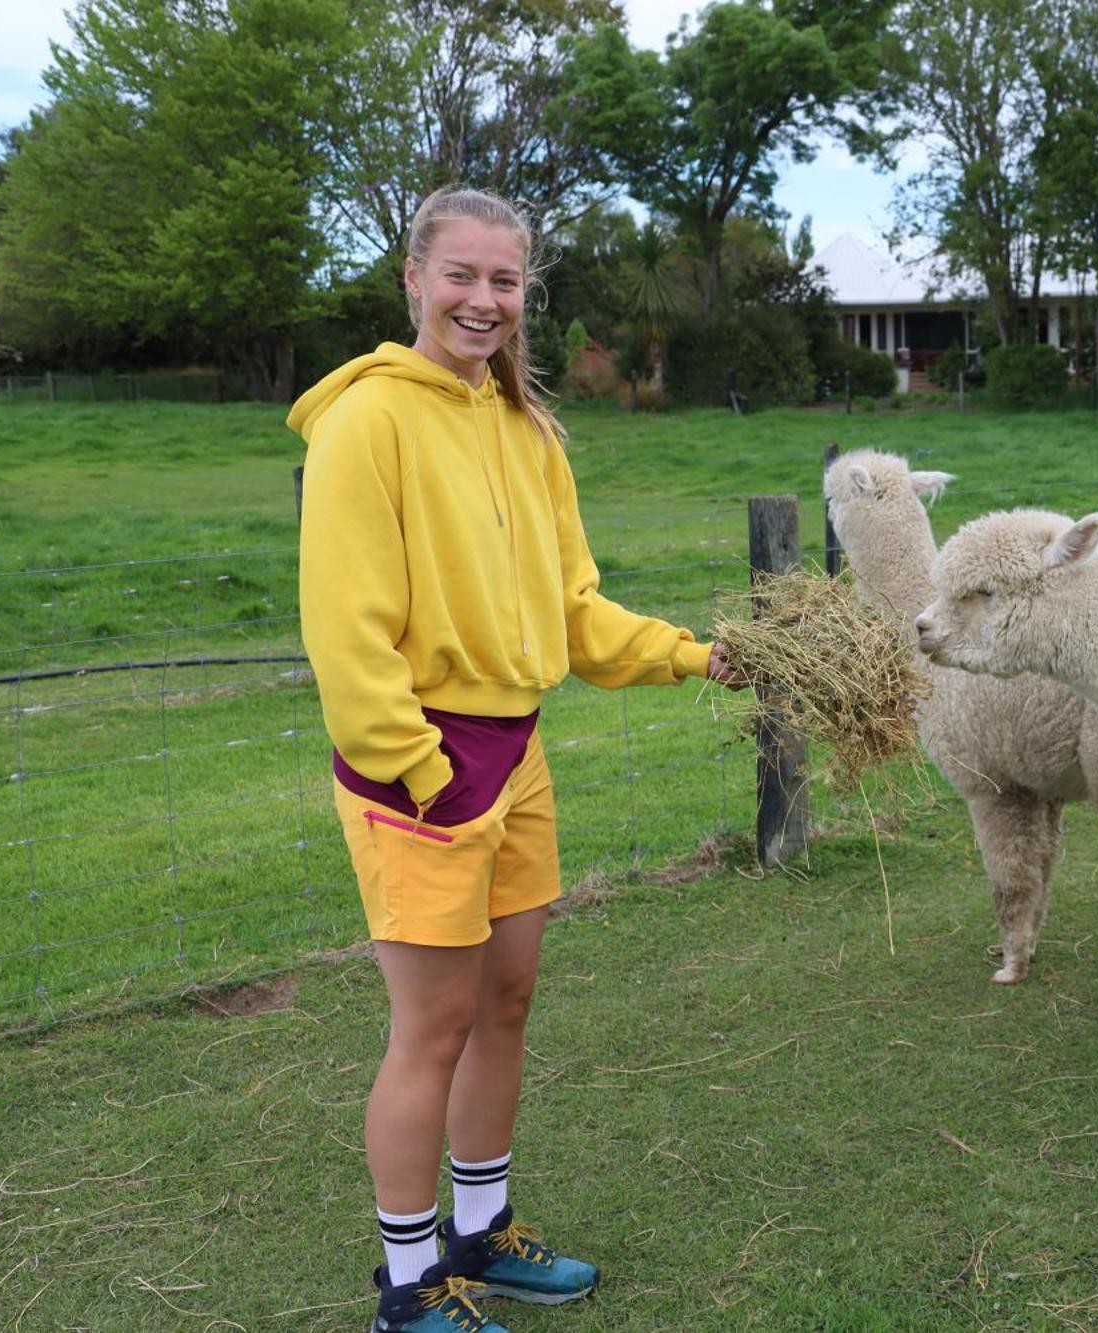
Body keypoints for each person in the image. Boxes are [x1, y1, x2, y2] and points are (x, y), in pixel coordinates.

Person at [291, 186, 739, 1333]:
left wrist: (696, 655)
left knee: (506, 1003)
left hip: (517, 752)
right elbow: (346, 632)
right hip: (421, 769)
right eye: (461, 276)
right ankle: (406, 1288)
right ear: (412, 280)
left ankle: (481, 1235)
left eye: (503, 281)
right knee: (429, 1029)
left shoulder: (529, 431)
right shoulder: (367, 422)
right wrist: (421, 768)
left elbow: (574, 609)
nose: (482, 300)